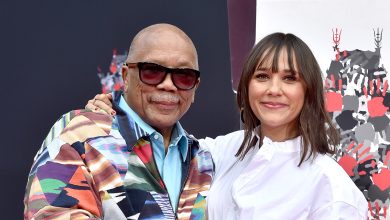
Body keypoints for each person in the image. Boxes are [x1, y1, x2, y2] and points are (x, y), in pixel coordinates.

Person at [88, 33, 368, 219]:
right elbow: (161, 147)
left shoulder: (331, 187)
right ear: (246, 86)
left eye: (289, 79)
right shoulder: (222, 150)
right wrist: (116, 110)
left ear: (309, 90)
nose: (273, 89)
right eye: (262, 76)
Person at [24, 23, 213, 220]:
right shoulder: (80, 135)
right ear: (126, 76)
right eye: (152, 71)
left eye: (184, 76)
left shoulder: (205, 159)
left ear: (195, 88)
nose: (168, 85)